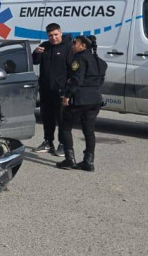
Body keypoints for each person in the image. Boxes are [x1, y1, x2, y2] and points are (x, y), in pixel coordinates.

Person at [57, 35, 106, 171]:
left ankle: (69, 159)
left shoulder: (79, 59)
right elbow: (101, 80)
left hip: (79, 99)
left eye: (75, 43)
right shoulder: (99, 61)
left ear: (83, 46)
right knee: (89, 131)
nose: (73, 45)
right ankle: (88, 162)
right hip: (95, 100)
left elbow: (76, 80)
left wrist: (67, 96)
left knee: (65, 127)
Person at [32, 22, 73, 155]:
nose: (53, 38)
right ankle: (48, 142)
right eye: (50, 35)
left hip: (61, 90)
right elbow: (35, 61)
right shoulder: (45, 46)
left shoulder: (69, 47)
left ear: (60, 33)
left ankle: (63, 144)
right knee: (47, 117)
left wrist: (68, 90)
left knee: (62, 118)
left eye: (56, 34)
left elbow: (73, 70)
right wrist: (36, 52)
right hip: (46, 89)